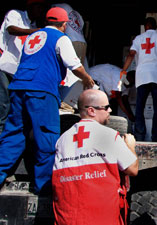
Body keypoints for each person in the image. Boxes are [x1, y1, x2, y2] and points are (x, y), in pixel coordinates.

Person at [0, 7, 95, 194]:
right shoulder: (60, 38)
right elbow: (74, 65)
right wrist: (87, 79)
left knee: (13, 134)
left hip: (19, 88)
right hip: (41, 91)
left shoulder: (33, 38)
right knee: (47, 136)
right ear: (64, 24)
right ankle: (42, 187)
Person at [52, 89, 138, 225]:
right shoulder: (108, 135)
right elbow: (132, 169)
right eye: (106, 107)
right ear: (91, 111)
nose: (110, 110)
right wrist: (130, 146)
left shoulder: (63, 139)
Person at [0, 0, 48, 134]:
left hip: (17, 70)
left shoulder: (33, 24)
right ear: (30, 6)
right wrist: (35, 31)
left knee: (14, 105)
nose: (40, 10)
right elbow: (12, 29)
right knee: (3, 104)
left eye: (42, 7)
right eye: (38, 6)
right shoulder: (15, 14)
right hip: (4, 65)